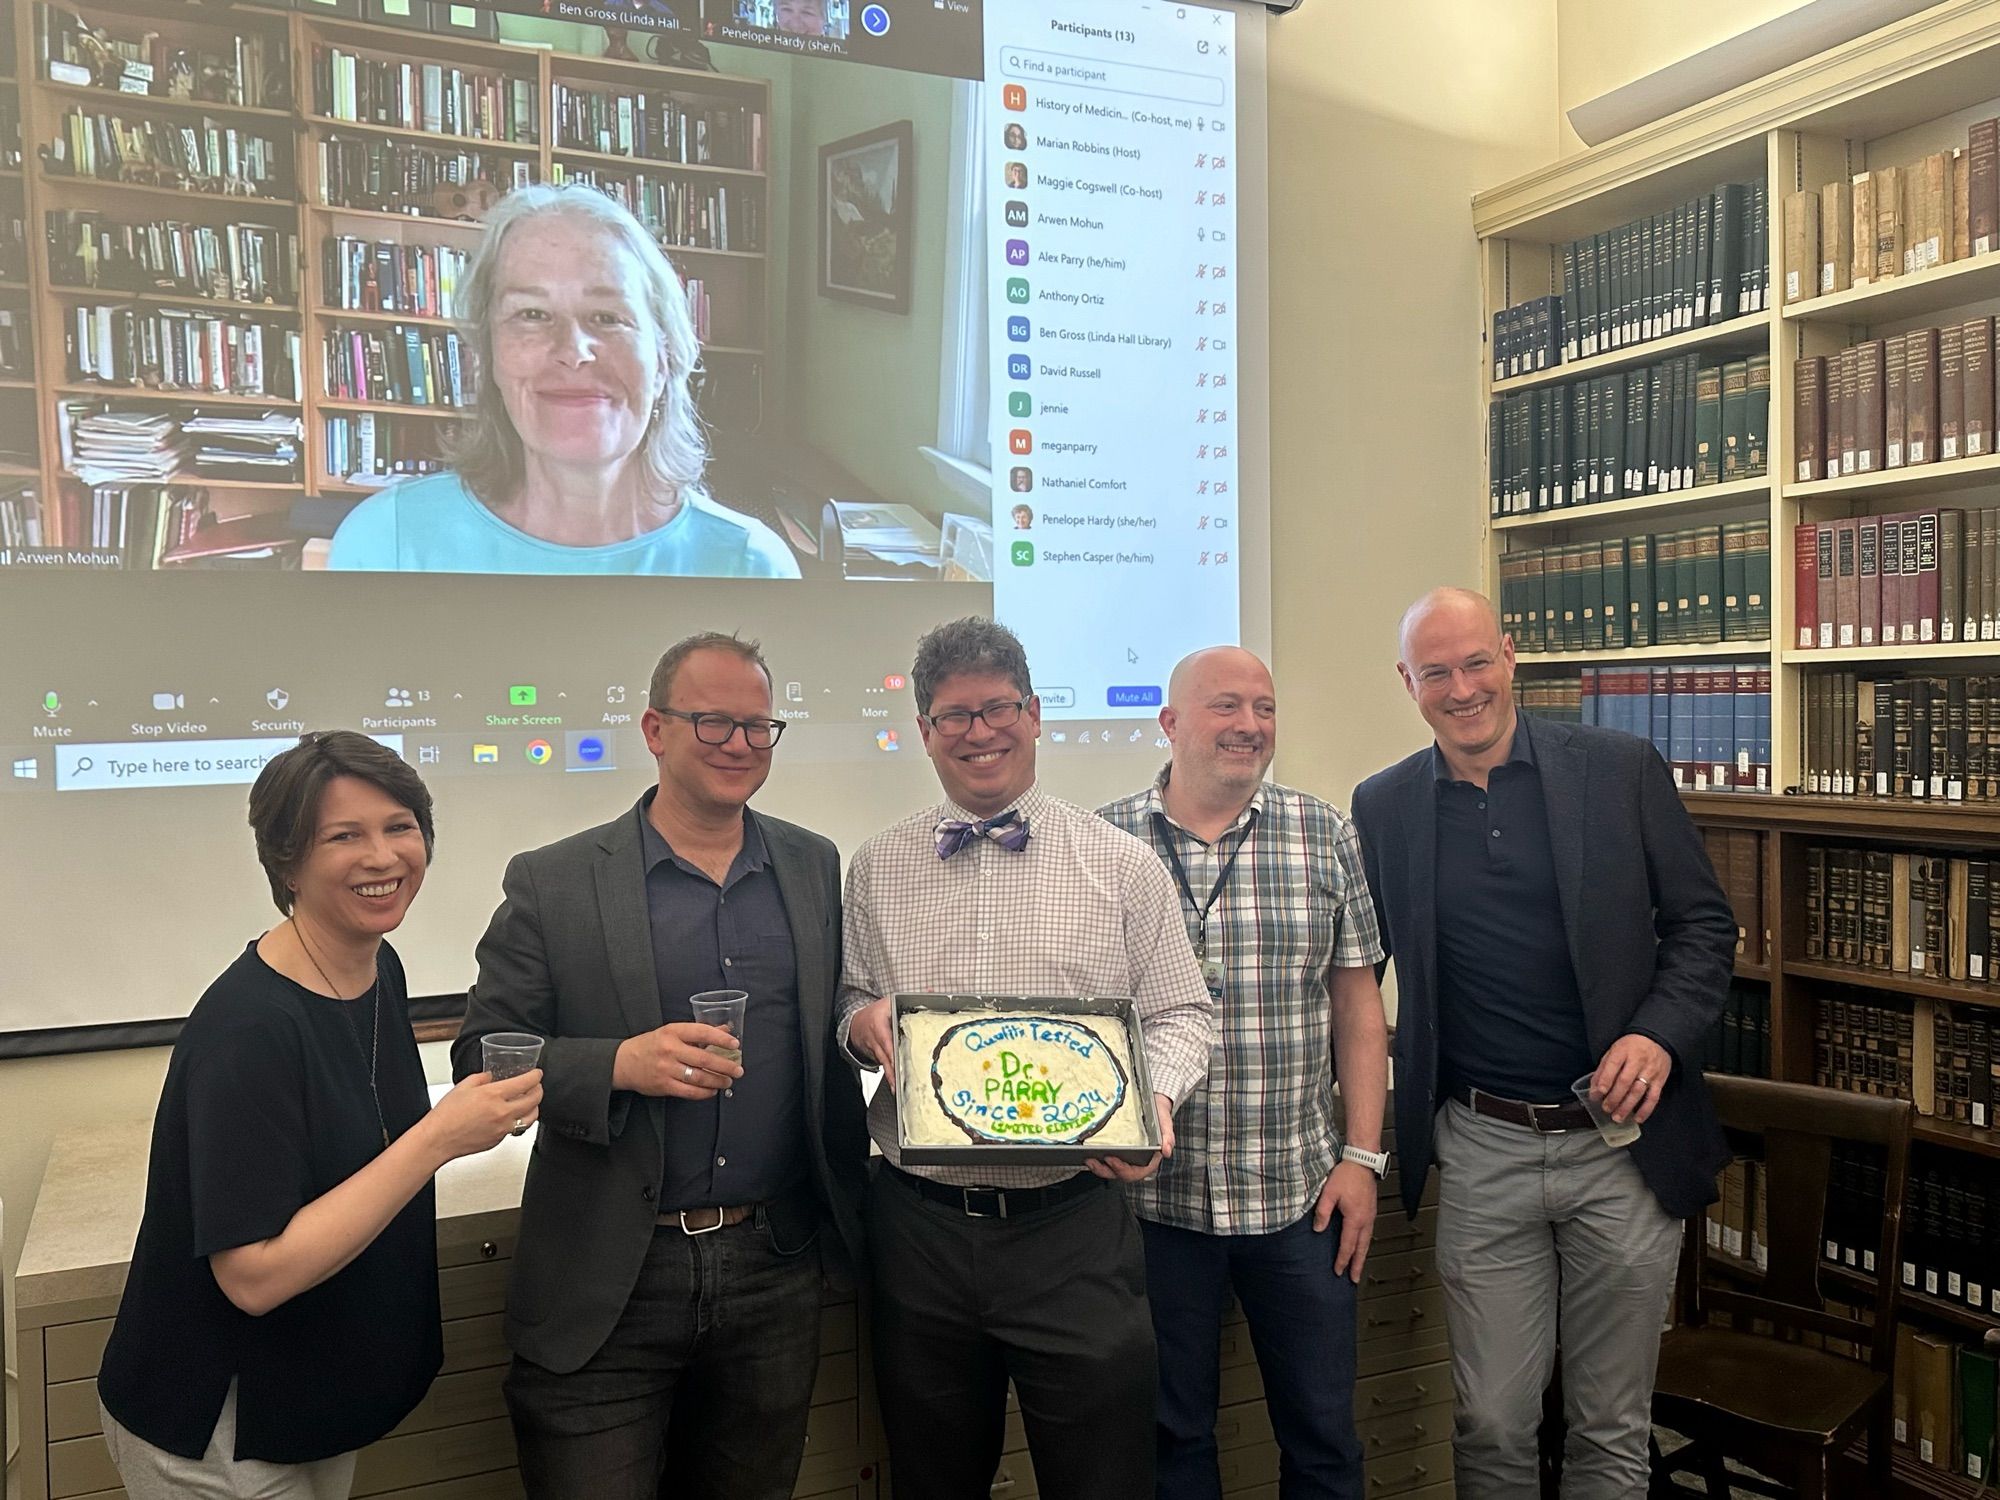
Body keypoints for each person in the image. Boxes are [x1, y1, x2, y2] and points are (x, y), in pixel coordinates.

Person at [454, 631, 866, 1500]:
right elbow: (481, 1058)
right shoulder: (555, 881)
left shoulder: (812, 863)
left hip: (773, 1266)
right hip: (608, 1272)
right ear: (653, 728)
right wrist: (618, 1065)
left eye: (760, 727)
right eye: (713, 722)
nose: (740, 746)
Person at [1350, 588, 1735, 1500]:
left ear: (1511, 656)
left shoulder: (1619, 768)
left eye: (1477, 661)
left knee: (1609, 1426)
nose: (1462, 687)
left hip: (1624, 1148)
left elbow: (1704, 928)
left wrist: (1657, 1036)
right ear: (1408, 683)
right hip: (1484, 1149)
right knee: (1489, 1422)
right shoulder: (1384, 806)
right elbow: (1354, 974)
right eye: (1436, 672)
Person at [96, 731, 541, 1499]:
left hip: (309, 1394)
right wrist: (437, 1138)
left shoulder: (374, 965)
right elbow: (255, 1278)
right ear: (286, 862)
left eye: (400, 827)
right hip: (221, 1426)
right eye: (344, 836)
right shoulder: (251, 1028)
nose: (383, 857)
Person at [840, 616, 1215, 1496]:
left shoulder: (1121, 866)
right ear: (925, 732)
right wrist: (865, 1025)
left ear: (1036, 713)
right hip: (918, 1230)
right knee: (934, 1480)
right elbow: (847, 1002)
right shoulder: (875, 868)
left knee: (1104, 1483)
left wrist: (1151, 1104)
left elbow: (1182, 1014)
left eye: (998, 708)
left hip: (1073, 1229)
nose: (980, 732)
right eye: (954, 716)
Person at [1099, 645, 1388, 1500]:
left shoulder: (1324, 830)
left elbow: (1359, 1008)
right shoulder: (1102, 842)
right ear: (1171, 723)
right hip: (1152, 1205)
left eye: (1264, 708)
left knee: (1324, 1437)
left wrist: (1364, 1158)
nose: (1250, 725)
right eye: (1227, 706)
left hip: (1300, 1200)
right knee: (1170, 1440)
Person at [329, 185, 798, 578]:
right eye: (532, 315)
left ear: (664, 358)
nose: (573, 351)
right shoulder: (385, 545)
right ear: (489, 355)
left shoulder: (751, 568)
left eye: (608, 317)